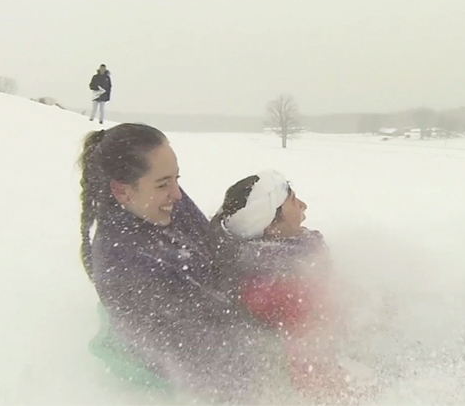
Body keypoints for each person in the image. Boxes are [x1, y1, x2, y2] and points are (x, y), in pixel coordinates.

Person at [78, 123, 285, 404]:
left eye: (176, 178)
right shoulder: (124, 266)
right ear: (123, 192)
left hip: (218, 319)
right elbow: (201, 356)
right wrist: (277, 362)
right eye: (164, 183)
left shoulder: (156, 200)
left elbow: (211, 245)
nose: (177, 193)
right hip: (184, 360)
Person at [209, 170, 368, 404]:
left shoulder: (282, 264)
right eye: (293, 201)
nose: (304, 206)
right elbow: (313, 372)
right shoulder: (283, 289)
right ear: (271, 228)